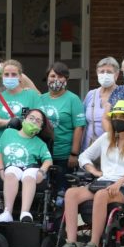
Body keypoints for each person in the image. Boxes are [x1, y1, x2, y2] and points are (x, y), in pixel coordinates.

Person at [55, 100, 124, 247]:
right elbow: (84, 156)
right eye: (116, 117)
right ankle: (71, 243)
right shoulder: (106, 138)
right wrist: (93, 171)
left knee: (101, 195)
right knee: (71, 193)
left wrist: (120, 181)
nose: (118, 120)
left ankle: (93, 245)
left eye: (123, 117)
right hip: (103, 182)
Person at [0, 108, 53, 223]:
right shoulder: (8, 133)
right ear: (24, 119)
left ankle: (25, 213)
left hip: (30, 168)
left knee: (29, 175)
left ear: (41, 127)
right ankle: (7, 212)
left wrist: (42, 171)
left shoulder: (40, 143)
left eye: (38, 120)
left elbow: (48, 160)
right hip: (12, 167)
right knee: (10, 172)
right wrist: (1, 170)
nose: (34, 121)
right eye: (31, 118)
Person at [39, 62, 86, 192]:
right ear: (47, 78)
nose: (56, 80)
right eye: (53, 76)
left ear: (67, 79)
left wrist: (74, 154)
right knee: (43, 192)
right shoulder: (40, 98)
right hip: (43, 154)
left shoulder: (73, 99)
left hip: (64, 155)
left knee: (62, 192)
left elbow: (79, 127)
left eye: (60, 76)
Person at [0, 60, 42, 163]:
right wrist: (10, 122)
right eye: (6, 74)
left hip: (25, 151)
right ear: (2, 76)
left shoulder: (32, 96)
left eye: (14, 74)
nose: (10, 77)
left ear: (20, 77)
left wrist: (24, 124)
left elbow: (39, 120)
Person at [83, 57, 120, 150]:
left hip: (113, 148)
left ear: (117, 74)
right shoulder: (91, 94)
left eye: (109, 72)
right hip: (89, 147)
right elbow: (82, 122)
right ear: (97, 73)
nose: (105, 74)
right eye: (102, 71)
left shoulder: (122, 94)